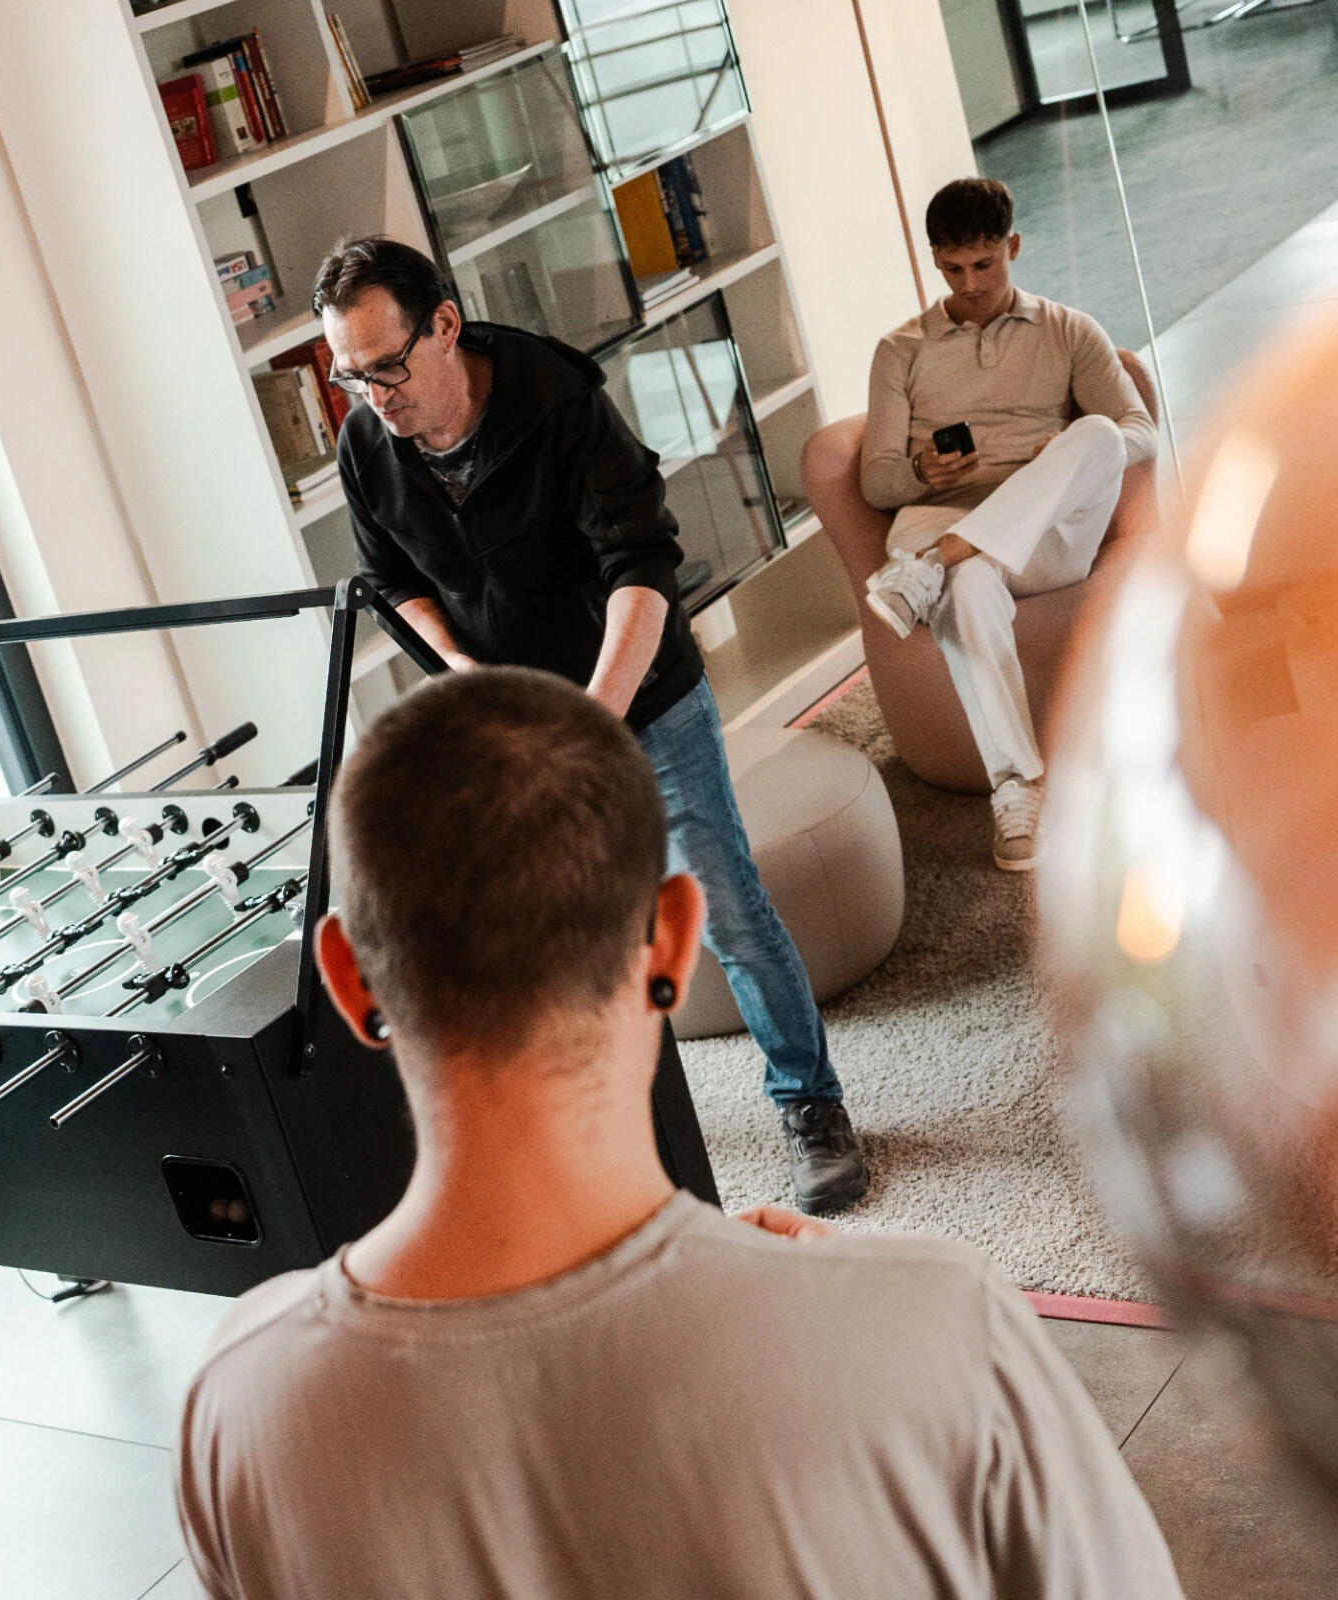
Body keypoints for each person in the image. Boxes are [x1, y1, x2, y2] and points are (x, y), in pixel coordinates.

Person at [174, 667, 1183, 1600]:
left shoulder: (239, 1403)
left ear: (347, 980)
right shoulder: (943, 1327)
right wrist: (858, 1303)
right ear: (671, 933)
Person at [316, 236, 865, 1214]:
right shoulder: (367, 442)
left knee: (723, 900)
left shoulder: (557, 402)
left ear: (443, 325)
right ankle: (603, 1120)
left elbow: (641, 565)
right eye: (349, 377)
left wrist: (593, 719)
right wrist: (466, 672)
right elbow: (391, 581)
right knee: (555, 928)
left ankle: (810, 1102)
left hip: (640, 694)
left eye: (387, 367)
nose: (374, 396)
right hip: (514, 712)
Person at [859, 177, 1156, 870]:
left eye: (985, 265)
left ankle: (933, 565)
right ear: (935, 260)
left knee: (1102, 438)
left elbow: (1137, 429)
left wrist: (1059, 453)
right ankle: (1017, 790)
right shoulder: (898, 350)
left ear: (1012, 247)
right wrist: (922, 474)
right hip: (941, 519)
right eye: (953, 269)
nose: (970, 284)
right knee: (970, 587)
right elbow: (876, 480)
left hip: (1043, 535)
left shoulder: (1069, 329)